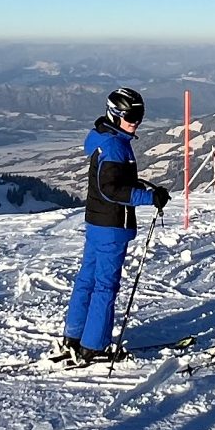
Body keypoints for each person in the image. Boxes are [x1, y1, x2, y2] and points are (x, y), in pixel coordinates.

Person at [59, 87, 169, 364]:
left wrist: (143, 186)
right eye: (131, 115)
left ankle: (74, 337)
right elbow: (111, 189)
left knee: (88, 279)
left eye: (140, 115)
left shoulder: (104, 137)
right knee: (105, 286)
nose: (136, 121)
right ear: (115, 113)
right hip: (111, 225)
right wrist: (148, 197)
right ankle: (94, 346)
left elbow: (110, 182)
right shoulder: (115, 146)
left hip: (96, 221)